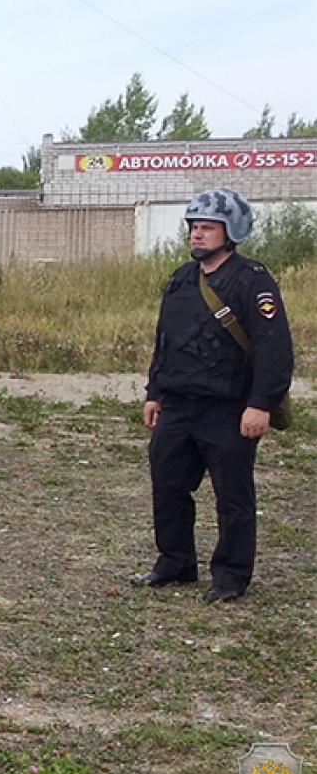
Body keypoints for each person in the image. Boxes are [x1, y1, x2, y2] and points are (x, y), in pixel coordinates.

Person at [135, 189, 294, 603]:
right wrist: (156, 392)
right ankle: (175, 562)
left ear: (231, 231)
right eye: (193, 227)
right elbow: (165, 340)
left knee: (232, 496)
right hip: (180, 404)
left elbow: (274, 347)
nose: (197, 235)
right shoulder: (181, 279)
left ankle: (231, 575)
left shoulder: (252, 281)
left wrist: (260, 404)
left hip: (229, 408)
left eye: (207, 227)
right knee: (167, 485)